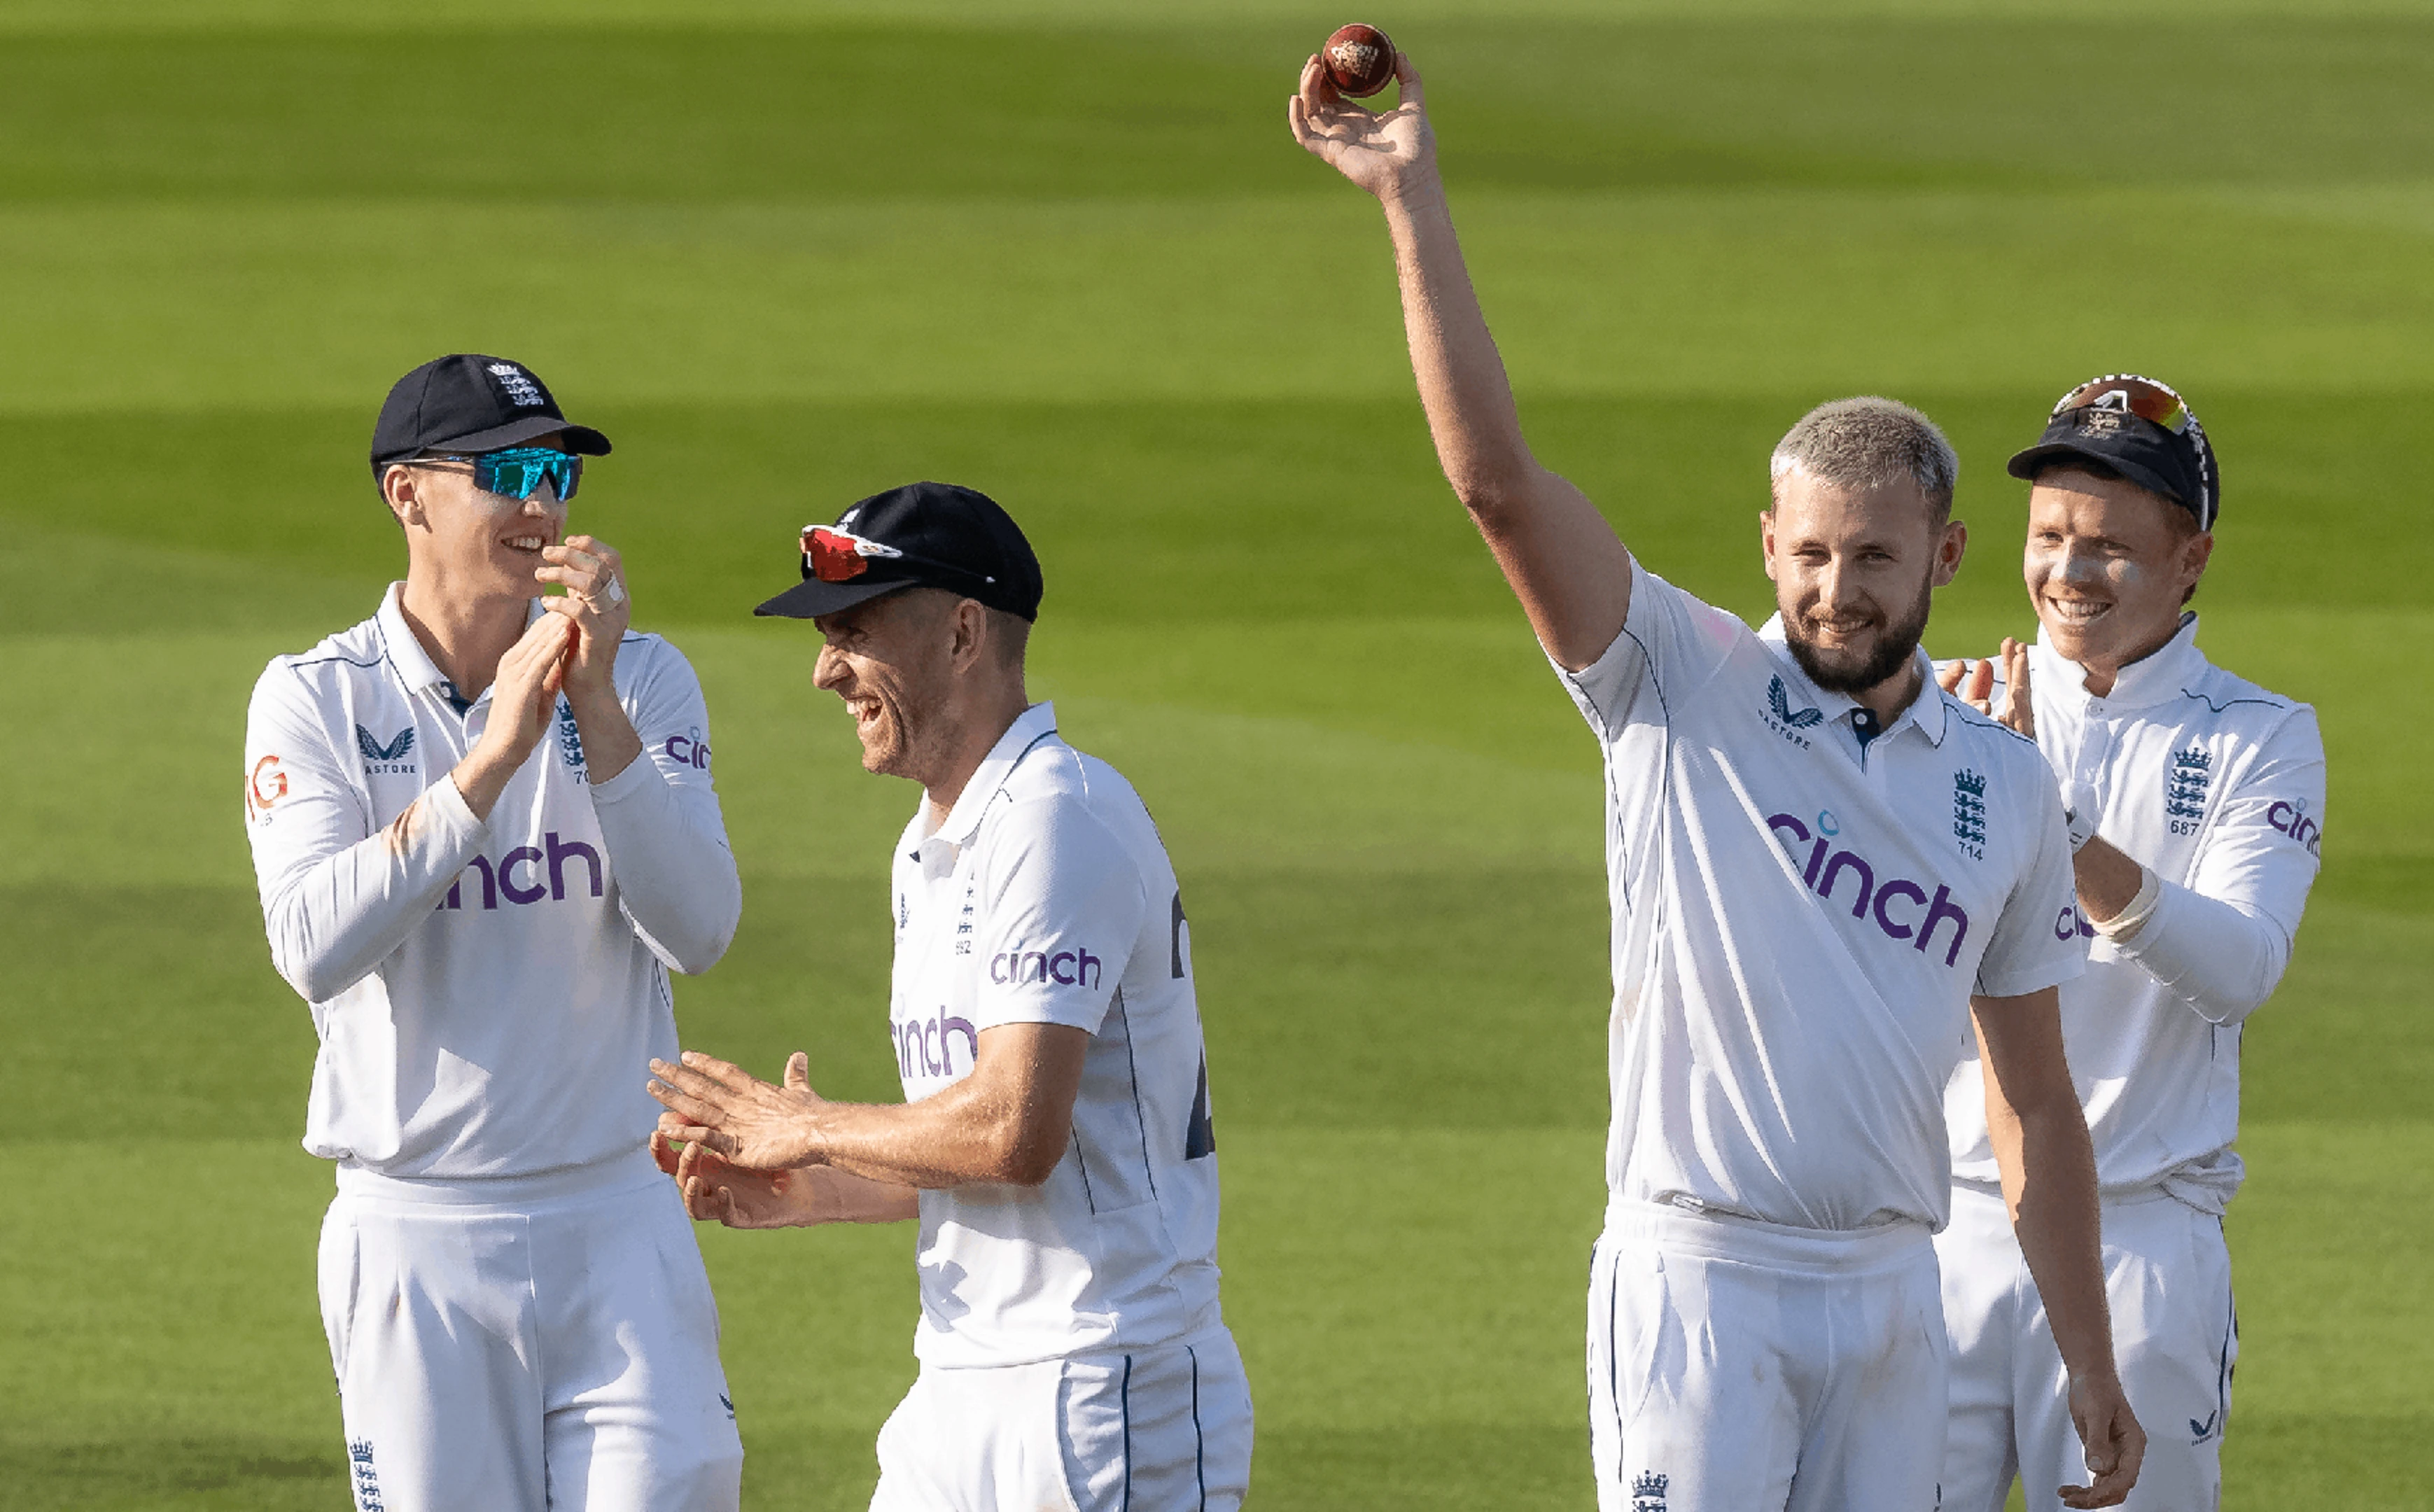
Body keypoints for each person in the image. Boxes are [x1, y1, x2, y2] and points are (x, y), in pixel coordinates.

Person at [1289, 52, 2141, 1512]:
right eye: (1809, 555)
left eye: (1873, 557)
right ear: (1766, 547)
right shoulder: (1678, 681)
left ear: (1940, 560)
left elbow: (2038, 1108)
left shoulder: (2005, 786)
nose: (1835, 590)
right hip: (1702, 1282)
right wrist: (1408, 194)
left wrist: (2091, 1358)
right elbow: (1498, 484)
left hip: (1892, 1292)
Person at [644, 482, 1250, 1512]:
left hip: (1101, 1391)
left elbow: (1016, 1132)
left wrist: (815, 1127)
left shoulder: (1056, 818)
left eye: (853, 631)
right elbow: (976, 1149)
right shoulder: (932, 847)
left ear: (964, 631)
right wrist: (815, 1184)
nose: (825, 670)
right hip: (966, 1388)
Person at [241, 353, 746, 1511]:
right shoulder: (317, 698)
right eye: (508, 473)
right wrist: (491, 760)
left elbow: (700, 928)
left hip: (618, 1221)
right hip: (416, 1234)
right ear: (406, 494)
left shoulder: (645, 680)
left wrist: (598, 708)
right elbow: (312, 944)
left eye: (558, 474)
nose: (542, 506)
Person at [1933, 375, 2326, 1512]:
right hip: (1937, 1226)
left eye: (2108, 546)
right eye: (2048, 536)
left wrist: (2053, 822)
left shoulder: (2262, 737)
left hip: (2143, 1241)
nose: (2068, 572)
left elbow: (2240, 971)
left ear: (2192, 557)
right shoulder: (1944, 705)